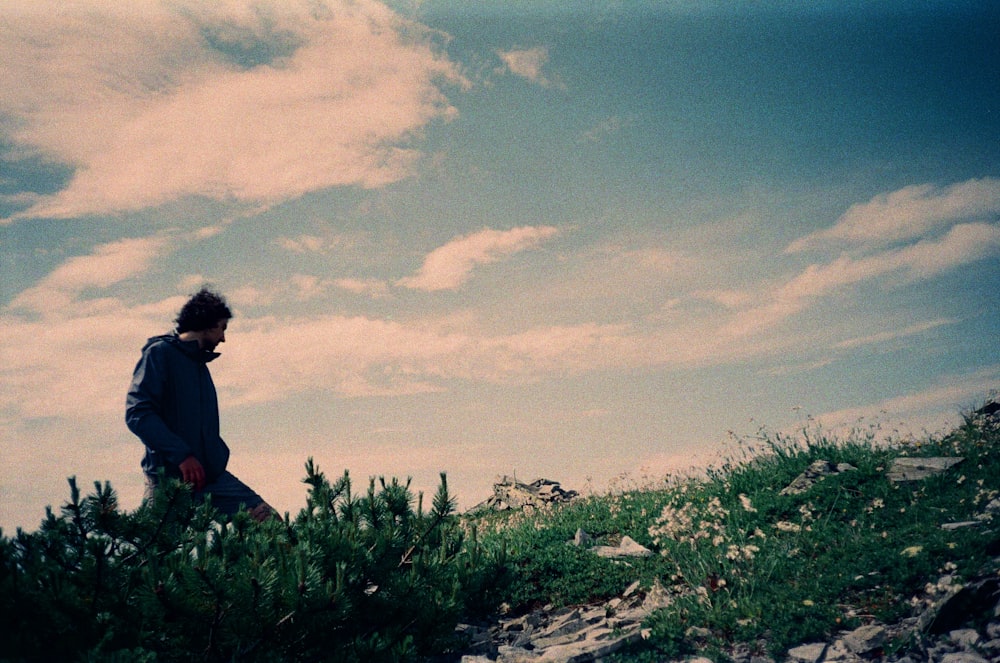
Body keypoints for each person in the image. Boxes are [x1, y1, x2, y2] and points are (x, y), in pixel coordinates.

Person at [126, 287, 276, 522]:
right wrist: (182, 456)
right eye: (222, 328)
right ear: (207, 323)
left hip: (211, 479)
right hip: (168, 482)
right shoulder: (160, 353)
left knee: (271, 527)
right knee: (157, 555)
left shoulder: (200, 366)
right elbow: (138, 413)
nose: (223, 338)